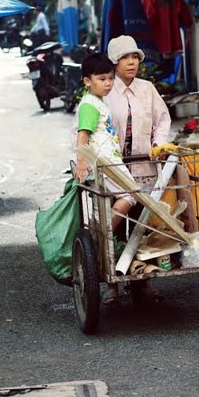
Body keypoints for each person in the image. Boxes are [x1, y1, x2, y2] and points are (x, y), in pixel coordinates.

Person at [74, 53, 137, 305]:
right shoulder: (89, 104)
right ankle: (103, 231)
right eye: (102, 79)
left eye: (110, 78)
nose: (108, 83)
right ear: (87, 81)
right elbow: (83, 135)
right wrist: (81, 161)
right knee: (130, 195)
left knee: (126, 196)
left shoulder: (99, 101)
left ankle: (104, 227)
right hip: (105, 163)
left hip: (111, 161)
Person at [105, 35, 172, 181]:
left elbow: (163, 120)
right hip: (114, 172)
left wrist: (157, 144)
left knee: (148, 203)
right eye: (124, 58)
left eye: (135, 57)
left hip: (146, 169)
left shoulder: (147, 88)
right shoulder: (105, 92)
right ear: (114, 62)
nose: (131, 62)